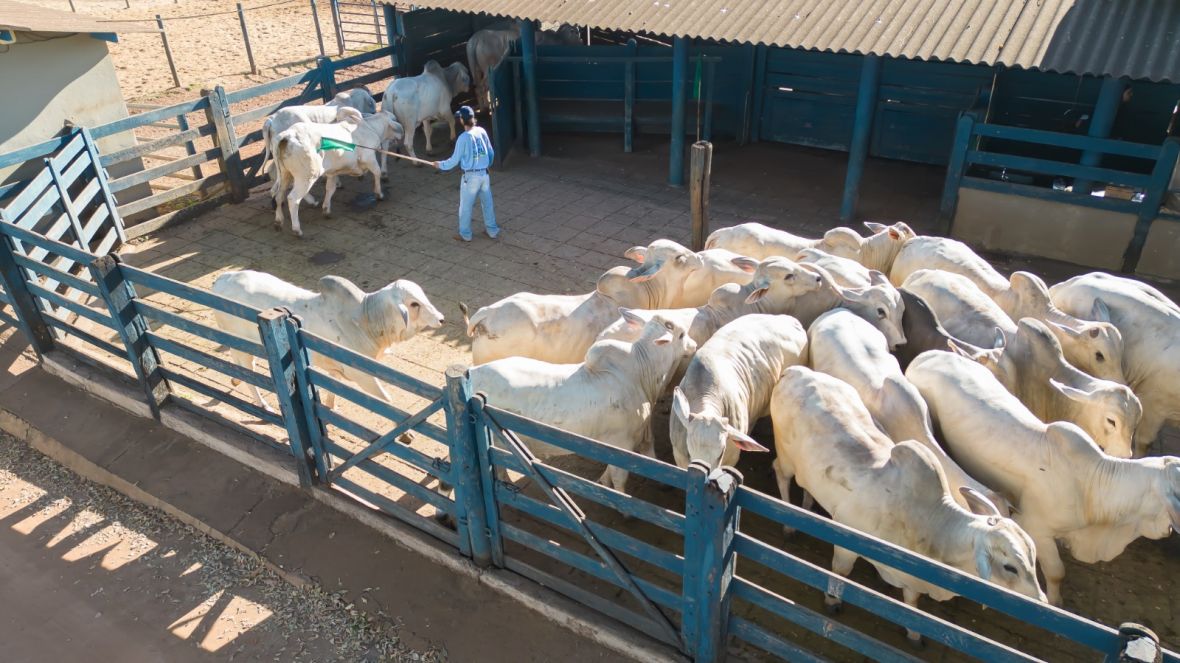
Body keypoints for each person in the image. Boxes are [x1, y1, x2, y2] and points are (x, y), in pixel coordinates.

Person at [434, 106, 499, 241]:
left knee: (465, 207)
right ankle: (492, 231)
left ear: (462, 120)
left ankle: (465, 234)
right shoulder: (481, 131)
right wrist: (487, 165)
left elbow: (454, 160)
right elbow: (491, 152)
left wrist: (440, 165)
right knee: (487, 204)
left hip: (470, 177)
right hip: (484, 175)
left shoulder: (463, 138)